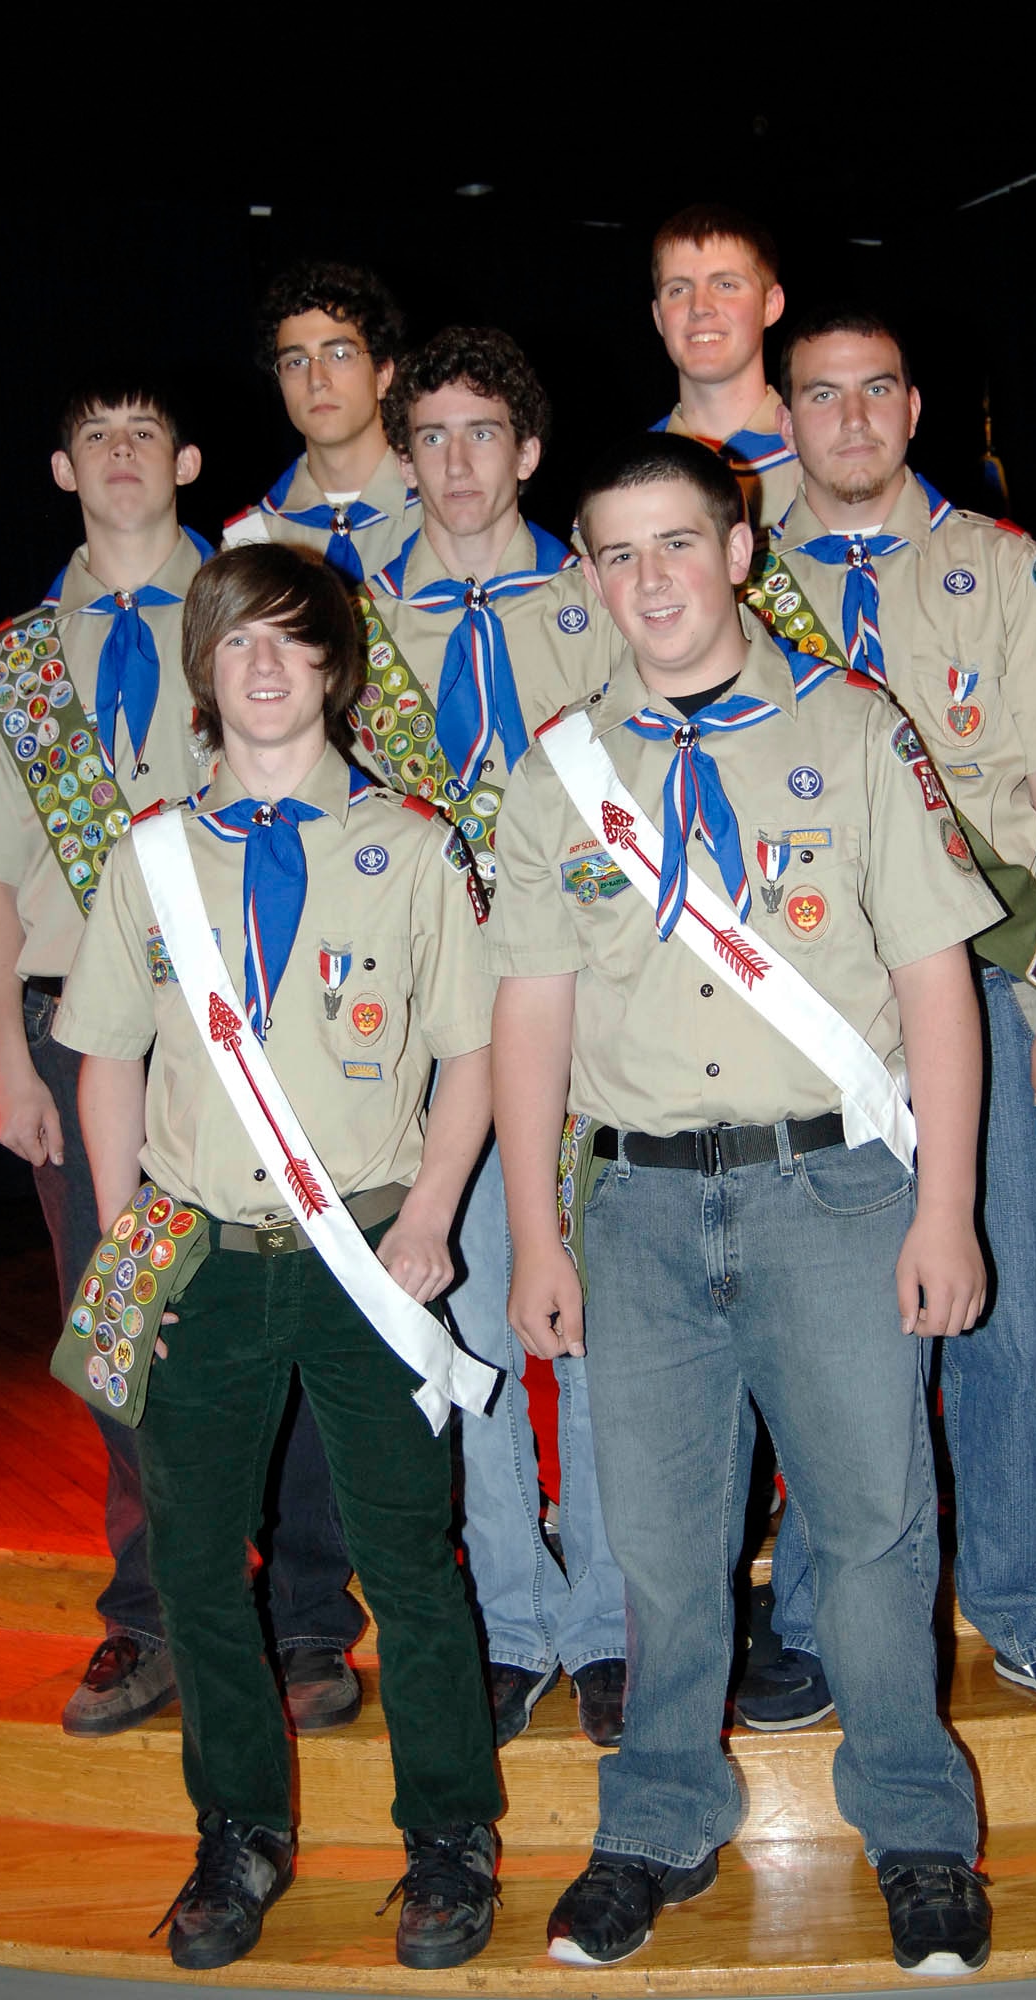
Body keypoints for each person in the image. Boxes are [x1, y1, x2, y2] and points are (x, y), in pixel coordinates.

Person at [486, 431, 1007, 1976]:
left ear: (735, 550)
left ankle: (914, 1827)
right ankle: (653, 1822)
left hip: (837, 1192)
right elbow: (528, 1013)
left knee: (870, 1528)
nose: (648, 579)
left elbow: (933, 983)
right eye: (615, 553)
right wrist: (531, 1229)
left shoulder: (851, 733)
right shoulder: (555, 771)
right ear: (587, 576)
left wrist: (946, 1209)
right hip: (636, 1213)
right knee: (653, 1543)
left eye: (675, 543)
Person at [53, 543, 504, 1973]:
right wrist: (128, 1240)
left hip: (369, 1243)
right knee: (194, 1565)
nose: (260, 665)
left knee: (408, 1562)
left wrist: (432, 1210)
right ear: (204, 669)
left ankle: (448, 1837)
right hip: (199, 1251)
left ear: (330, 665)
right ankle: (239, 1832)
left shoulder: (416, 847)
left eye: (288, 641)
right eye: (233, 639)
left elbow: (472, 1048)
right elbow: (108, 1060)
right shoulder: (151, 858)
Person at [0, 386, 364, 1739]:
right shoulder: (18, 663)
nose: (117, 456)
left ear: (187, 462)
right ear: (59, 466)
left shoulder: (255, 615)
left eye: (142, 435)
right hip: (84, 1038)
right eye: (92, 436)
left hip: (266, 1022)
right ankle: (153, 1614)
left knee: (303, 1328)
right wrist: (4, 1055)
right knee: (128, 1325)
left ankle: (310, 1621)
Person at [736, 308, 1036, 1747]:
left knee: (1011, 1319)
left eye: (870, 395)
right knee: (821, 1337)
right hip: (808, 1004)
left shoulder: (997, 568)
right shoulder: (735, 578)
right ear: (780, 416)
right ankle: (803, 1618)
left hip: (985, 981)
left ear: (909, 411)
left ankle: (1035, 1609)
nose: (844, 421)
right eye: (816, 397)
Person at [351, 325, 629, 1748]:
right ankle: (510, 1622)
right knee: (452, 1322)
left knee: (584, 1317)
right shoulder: (349, 631)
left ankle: (608, 1624)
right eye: (430, 437)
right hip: (423, 1030)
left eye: (482, 435)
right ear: (401, 456)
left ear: (526, 452)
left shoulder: (597, 603)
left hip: (583, 1007)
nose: (456, 463)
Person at [223, 260, 417, 579]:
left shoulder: (443, 512)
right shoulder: (251, 542)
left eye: (339, 355)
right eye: (296, 361)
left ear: (383, 374)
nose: (316, 379)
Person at [649, 203, 800, 532]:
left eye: (725, 285)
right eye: (678, 289)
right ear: (659, 317)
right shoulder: (628, 478)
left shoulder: (823, 458)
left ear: (771, 305)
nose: (699, 307)